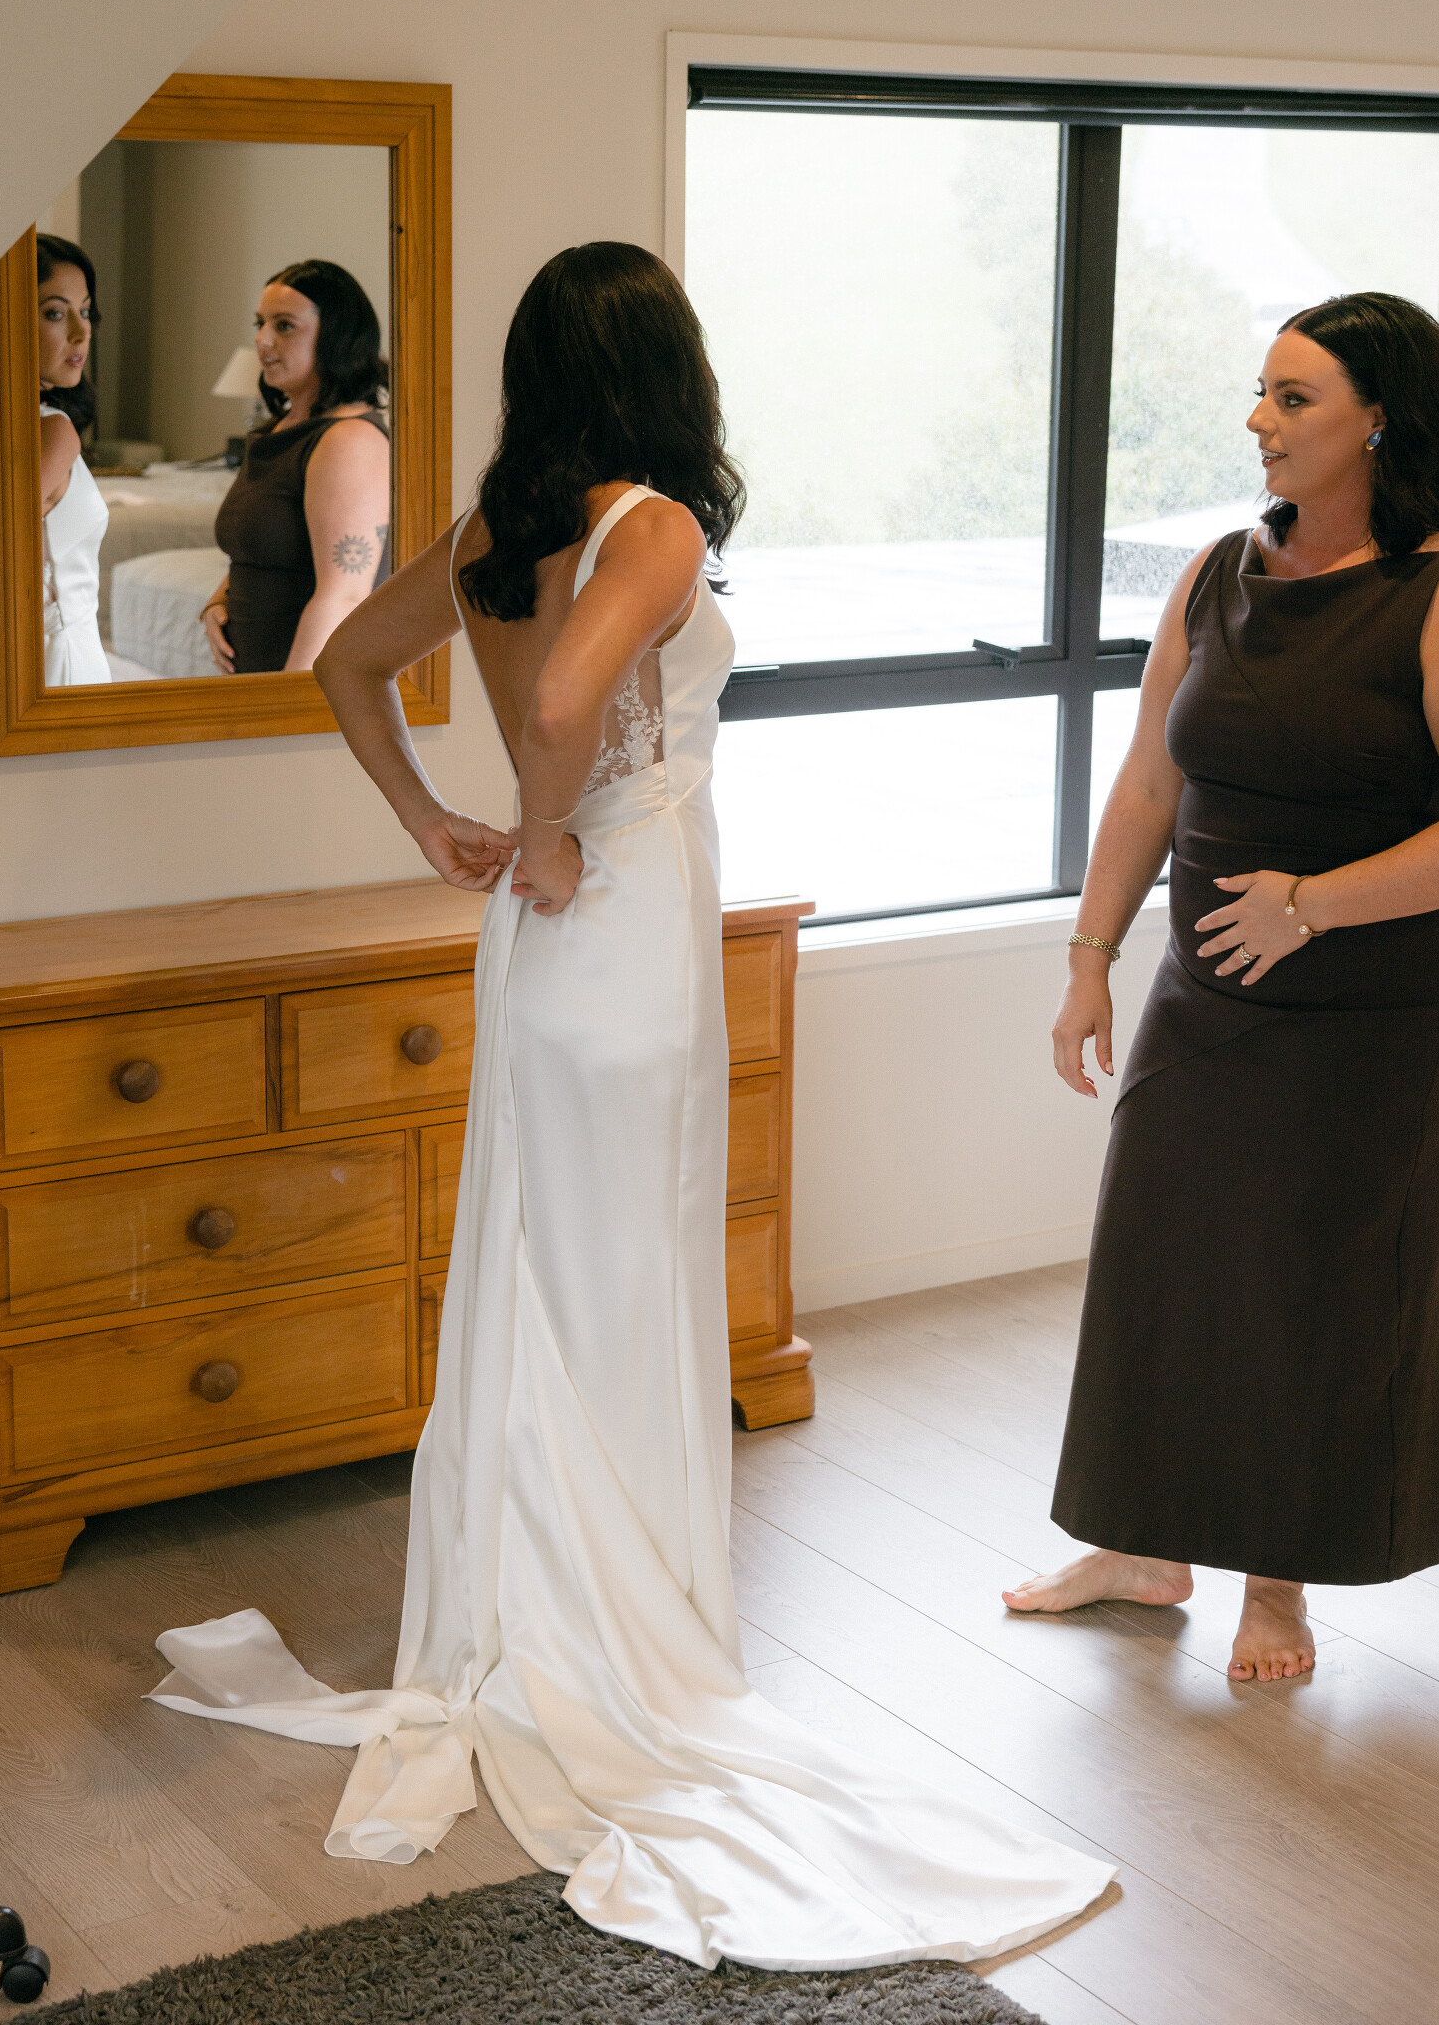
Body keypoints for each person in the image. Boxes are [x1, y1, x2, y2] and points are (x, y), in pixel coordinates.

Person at [146, 243, 1113, 1970]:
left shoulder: (493, 530)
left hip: (541, 949)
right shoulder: (648, 526)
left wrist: (440, 828)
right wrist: (545, 827)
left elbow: (346, 671)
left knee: (547, 1264)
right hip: (620, 917)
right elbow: (569, 700)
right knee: (624, 1275)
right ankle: (618, 1640)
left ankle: (544, 1616)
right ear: (669, 366)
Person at [1006, 291, 1439, 1683]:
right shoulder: (1212, 577)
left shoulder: (1427, 594)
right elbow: (1150, 780)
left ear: (1378, 420)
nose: (1259, 419)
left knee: (1304, 1296)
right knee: (1160, 1266)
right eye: (1260, 391)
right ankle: (1141, 1544)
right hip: (1202, 1000)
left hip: (1366, 1022)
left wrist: (1311, 904)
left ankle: (1278, 1583)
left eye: (1292, 398)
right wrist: (1089, 957)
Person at [204, 258, 391, 673]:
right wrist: (218, 600)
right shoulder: (278, 431)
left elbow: (343, 596)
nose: (262, 340)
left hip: (300, 685)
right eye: (260, 324)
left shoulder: (349, 441)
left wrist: (289, 701)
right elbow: (267, 544)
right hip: (249, 679)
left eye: (285, 326)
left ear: (336, 337)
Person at [36, 232, 112, 686]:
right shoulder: (54, 430)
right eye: (55, 313)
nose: (81, 333)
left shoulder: (34, 424)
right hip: (64, 657)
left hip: (61, 651)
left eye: (84, 312)